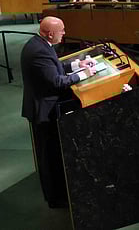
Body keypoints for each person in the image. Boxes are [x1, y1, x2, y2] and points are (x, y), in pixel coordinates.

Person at [21, 17, 99, 208]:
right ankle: (55, 198)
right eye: (61, 30)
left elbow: (53, 69)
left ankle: (57, 192)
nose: (64, 33)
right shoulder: (39, 51)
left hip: (44, 106)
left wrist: (77, 65)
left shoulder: (39, 44)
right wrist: (84, 75)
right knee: (49, 157)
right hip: (44, 111)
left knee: (51, 154)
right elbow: (56, 82)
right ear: (50, 34)